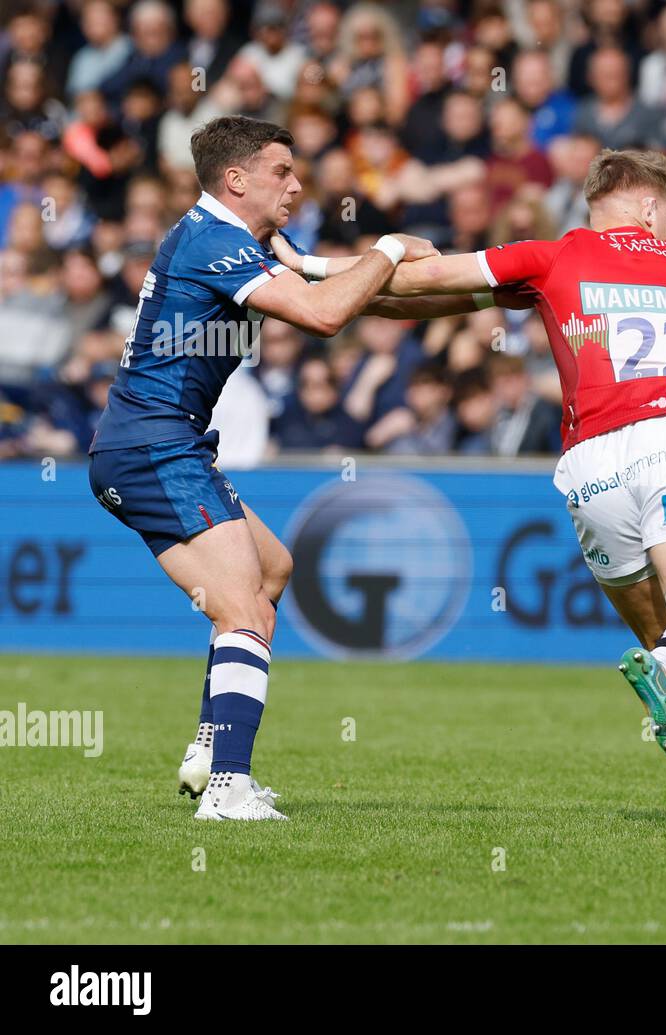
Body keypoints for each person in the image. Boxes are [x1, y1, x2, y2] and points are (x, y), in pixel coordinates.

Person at [274, 148, 666, 829]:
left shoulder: (554, 257)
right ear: (647, 206)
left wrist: (311, 266)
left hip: (589, 467)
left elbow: (425, 282)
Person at [87, 114, 435, 820]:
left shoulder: (240, 239)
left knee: (271, 572)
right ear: (235, 179)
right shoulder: (216, 242)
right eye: (282, 171)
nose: (298, 184)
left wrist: (492, 289)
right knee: (244, 607)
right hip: (156, 446)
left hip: (152, 445)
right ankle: (227, 790)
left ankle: (210, 747)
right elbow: (326, 313)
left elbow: (355, 288)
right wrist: (391, 245)